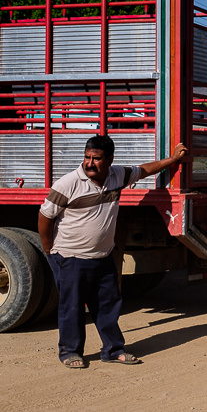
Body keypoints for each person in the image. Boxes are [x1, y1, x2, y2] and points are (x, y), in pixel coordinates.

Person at [38, 134, 187, 369]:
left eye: (96, 158)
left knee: (108, 305)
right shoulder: (68, 183)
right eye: (87, 157)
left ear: (109, 159)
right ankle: (70, 352)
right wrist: (49, 250)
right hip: (71, 258)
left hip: (103, 257)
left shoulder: (117, 175)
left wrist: (172, 160)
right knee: (72, 307)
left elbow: (144, 170)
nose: (89, 163)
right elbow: (45, 216)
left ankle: (113, 350)